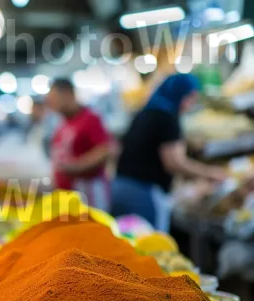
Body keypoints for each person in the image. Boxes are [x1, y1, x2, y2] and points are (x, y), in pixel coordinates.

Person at [112, 74, 226, 232]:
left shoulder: (145, 112)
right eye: (190, 97)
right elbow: (174, 162)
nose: (191, 104)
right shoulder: (167, 118)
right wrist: (209, 173)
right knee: (151, 246)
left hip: (119, 187)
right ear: (180, 94)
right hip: (143, 193)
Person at [47, 78, 113, 210]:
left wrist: (76, 167)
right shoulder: (63, 123)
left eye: (53, 97)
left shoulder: (90, 119)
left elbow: (104, 150)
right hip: (68, 195)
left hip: (88, 192)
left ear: (67, 94)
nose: (50, 103)